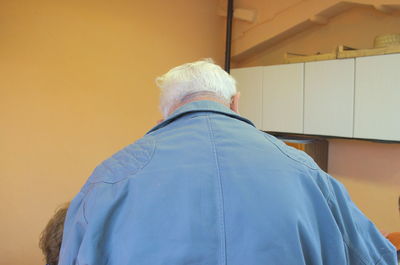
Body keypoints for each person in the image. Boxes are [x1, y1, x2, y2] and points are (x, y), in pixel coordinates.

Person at [58, 59, 396, 265]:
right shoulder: (305, 169)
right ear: (235, 102)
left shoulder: (111, 176)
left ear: (167, 109)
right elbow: (375, 259)